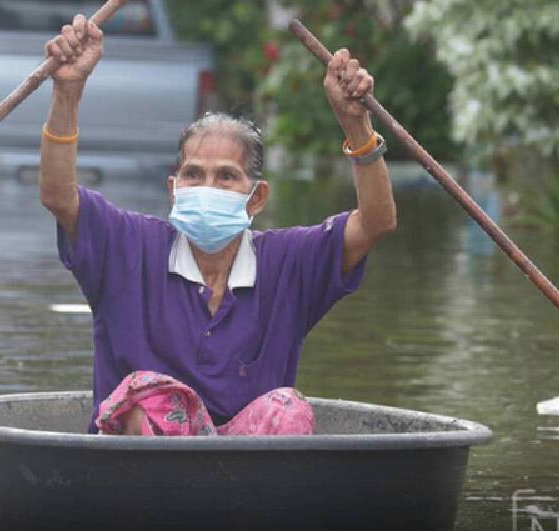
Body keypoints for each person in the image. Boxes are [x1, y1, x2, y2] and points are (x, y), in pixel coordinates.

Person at [39, 15, 397, 437]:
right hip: (137, 472)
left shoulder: (287, 263)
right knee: (149, 399)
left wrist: (357, 126)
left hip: (243, 475)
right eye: (194, 175)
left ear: (256, 198)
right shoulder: (127, 246)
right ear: (174, 188)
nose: (207, 187)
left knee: (288, 409)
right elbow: (59, 196)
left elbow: (376, 221)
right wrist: (67, 91)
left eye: (226, 177)